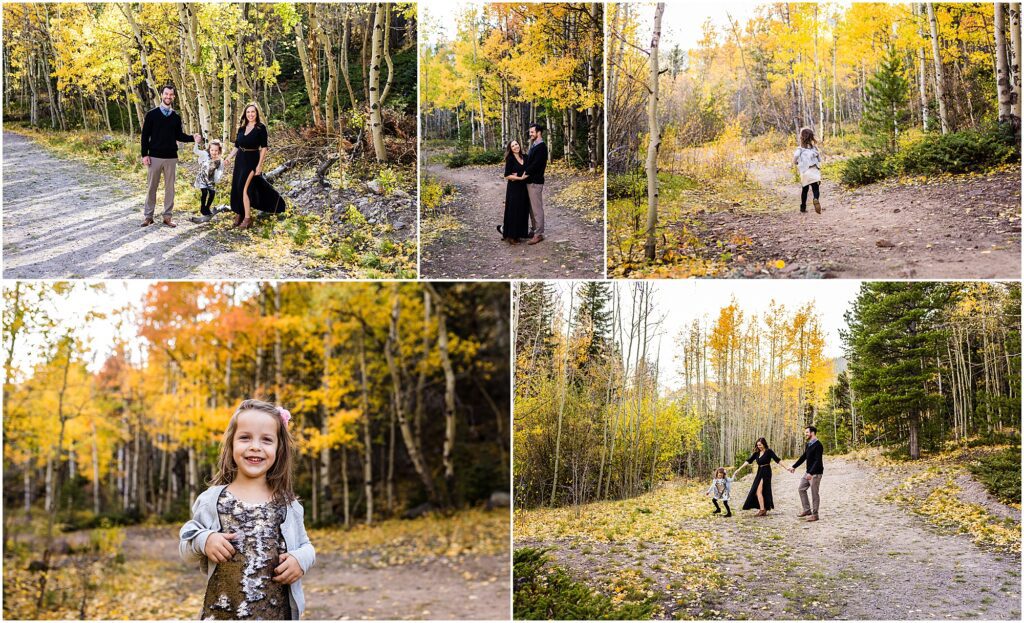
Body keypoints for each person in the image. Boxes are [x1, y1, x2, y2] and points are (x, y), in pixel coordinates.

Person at [179, 399, 314, 620]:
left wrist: (300, 559)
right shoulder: (213, 500)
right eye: (245, 437)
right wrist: (205, 539)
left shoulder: (288, 505)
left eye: (267, 440)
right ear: (231, 444)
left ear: (279, 449)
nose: (255, 446)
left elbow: (307, 546)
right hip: (222, 613)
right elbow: (185, 547)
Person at [140, 85, 199, 227]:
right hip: (154, 157)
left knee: (170, 188)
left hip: (171, 157)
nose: (168, 96)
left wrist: (193, 138)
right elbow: (144, 136)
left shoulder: (175, 117)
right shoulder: (151, 114)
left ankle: (167, 216)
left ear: (173, 97)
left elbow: (179, 135)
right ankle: (148, 216)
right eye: (166, 94)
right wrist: (144, 154)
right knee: (151, 187)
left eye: (171, 94)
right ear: (161, 95)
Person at [224, 103, 286, 230]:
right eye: (248, 112)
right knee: (237, 187)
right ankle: (239, 213)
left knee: (244, 189)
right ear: (245, 114)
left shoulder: (260, 128)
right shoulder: (241, 128)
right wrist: (228, 158)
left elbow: (264, 148)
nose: (250, 114)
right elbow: (236, 146)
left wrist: (259, 166)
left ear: (256, 114)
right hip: (240, 159)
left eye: (253, 112)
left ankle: (247, 218)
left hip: (252, 160)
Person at [733, 437, 792, 516]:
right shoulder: (757, 453)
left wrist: (787, 467)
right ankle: (763, 509)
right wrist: (739, 469)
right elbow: (748, 461)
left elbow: (778, 460)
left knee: (758, 491)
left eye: (760, 445)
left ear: (764, 444)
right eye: (757, 445)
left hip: (766, 471)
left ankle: (762, 509)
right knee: (758, 491)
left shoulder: (769, 451)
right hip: (759, 472)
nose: (759, 447)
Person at [497, 140, 532, 243]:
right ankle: (511, 236)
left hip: (524, 188)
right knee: (513, 210)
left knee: (522, 210)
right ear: (510, 149)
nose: (515, 146)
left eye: (516, 144)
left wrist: (524, 175)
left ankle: (520, 234)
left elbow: (529, 169)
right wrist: (519, 178)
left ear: (519, 145)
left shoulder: (525, 157)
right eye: (513, 146)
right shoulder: (510, 159)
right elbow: (507, 175)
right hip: (514, 189)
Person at [788, 425, 824, 522]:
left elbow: (817, 461)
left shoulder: (818, 445)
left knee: (814, 493)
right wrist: (794, 466)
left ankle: (815, 515)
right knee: (801, 489)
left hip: (815, 473)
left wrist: (811, 473)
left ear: (812, 433)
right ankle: (807, 510)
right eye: (805, 432)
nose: (806, 434)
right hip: (808, 472)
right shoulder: (809, 444)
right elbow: (803, 457)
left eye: (807, 432)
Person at [523, 122, 548, 245]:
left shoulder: (542, 147)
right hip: (530, 181)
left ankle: (539, 234)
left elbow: (536, 164)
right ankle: (534, 230)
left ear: (539, 132)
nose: (530, 134)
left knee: (537, 209)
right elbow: (529, 160)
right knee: (532, 209)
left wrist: (525, 173)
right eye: (530, 132)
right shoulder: (534, 145)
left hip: (535, 181)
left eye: (532, 132)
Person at [190, 138, 225, 224]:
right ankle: (202, 207)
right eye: (212, 150)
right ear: (209, 149)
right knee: (204, 192)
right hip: (202, 178)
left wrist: (218, 177)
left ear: (219, 151)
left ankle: (207, 207)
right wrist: (196, 142)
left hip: (211, 180)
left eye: (216, 150)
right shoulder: (205, 154)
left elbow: (221, 170)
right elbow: (196, 151)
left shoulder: (220, 160)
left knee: (212, 193)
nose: (213, 152)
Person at [793, 127, 823, 214]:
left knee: (804, 190)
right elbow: (819, 160)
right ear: (811, 137)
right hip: (814, 171)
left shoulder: (800, 149)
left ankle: (803, 207)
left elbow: (794, 160)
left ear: (801, 137)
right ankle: (815, 199)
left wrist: (798, 163)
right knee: (816, 189)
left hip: (805, 172)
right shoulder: (814, 149)